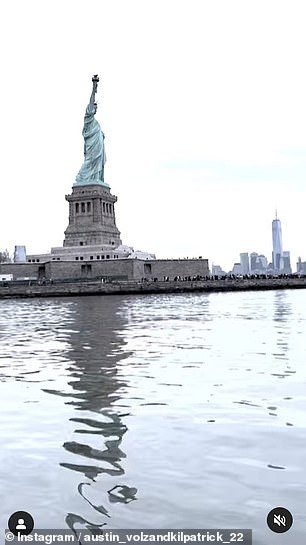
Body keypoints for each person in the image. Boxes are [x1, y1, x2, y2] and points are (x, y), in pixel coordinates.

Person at [76, 75, 106, 185]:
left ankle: (95, 178)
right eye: (94, 107)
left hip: (98, 147)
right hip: (92, 147)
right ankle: (82, 178)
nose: (95, 109)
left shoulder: (95, 122)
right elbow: (91, 99)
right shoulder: (88, 117)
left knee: (96, 163)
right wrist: (94, 87)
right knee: (90, 161)